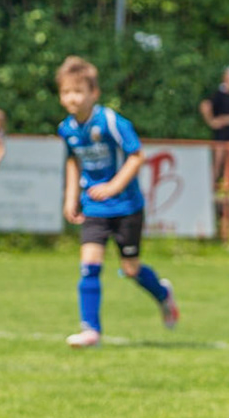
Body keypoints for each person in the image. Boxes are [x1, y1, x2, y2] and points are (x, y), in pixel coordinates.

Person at [57, 56, 179, 348]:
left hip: (126, 206)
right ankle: (91, 330)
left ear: (94, 93)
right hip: (94, 207)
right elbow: (73, 161)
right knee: (89, 265)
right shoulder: (67, 128)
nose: (72, 98)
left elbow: (137, 156)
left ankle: (163, 294)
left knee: (131, 269)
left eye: (78, 91)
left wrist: (113, 187)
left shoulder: (110, 122)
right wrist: (70, 197)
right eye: (66, 92)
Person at [199, 65, 229, 190]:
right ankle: (209, 188)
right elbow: (205, 105)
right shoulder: (219, 93)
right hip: (221, 134)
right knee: (217, 163)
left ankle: (226, 191)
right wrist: (212, 121)